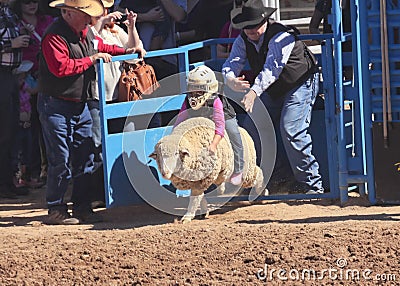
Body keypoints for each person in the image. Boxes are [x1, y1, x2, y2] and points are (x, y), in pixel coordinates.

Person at [37, 0, 139, 224]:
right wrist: (91, 59)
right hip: (57, 104)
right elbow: (61, 67)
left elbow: (101, 46)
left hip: (77, 102)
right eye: (84, 14)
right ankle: (56, 207)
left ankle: (81, 207)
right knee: (60, 158)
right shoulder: (54, 35)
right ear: (69, 13)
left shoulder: (82, 32)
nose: (89, 18)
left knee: (86, 154)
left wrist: (125, 51)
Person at [222, 0, 324, 194]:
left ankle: (312, 185)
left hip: (299, 83)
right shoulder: (243, 40)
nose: (250, 31)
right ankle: (278, 177)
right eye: (246, 27)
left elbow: (272, 69)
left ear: (265, 21)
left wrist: (253, 92)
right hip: (273, 89)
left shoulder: (280, 36)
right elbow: (232, 63)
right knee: (251, 128)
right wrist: (231, 80)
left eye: (254, 26)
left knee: (291, 129)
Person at [89, 0, 146, 208]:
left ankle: (117, 190)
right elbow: (90, 44)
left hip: (117, 95)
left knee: (120, 140)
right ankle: (97, 193)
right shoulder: (88, 30)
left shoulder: (116, 31)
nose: (106, 12)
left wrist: (131, 26)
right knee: (96, 145)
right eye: (101, 8)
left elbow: (134, 51)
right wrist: (102, 21)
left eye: (106, 8)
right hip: (95, 96)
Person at [174, 65, 244, 185]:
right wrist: (174, 138)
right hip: (201, 118)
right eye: (192, 89)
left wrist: (213, 144)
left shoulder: (215, 100)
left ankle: (239, 169)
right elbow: (180, 120)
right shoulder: (188, 101)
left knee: (233, 133)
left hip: (224, 116)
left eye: (199, 90)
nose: (195, 94)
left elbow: (220, 125)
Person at [10, 0, 54, 187]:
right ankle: (31, 173)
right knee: (28, 129)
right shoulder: (14, 24)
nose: (31, 5)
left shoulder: (49, 21)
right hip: (24, 79)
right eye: (26, 2)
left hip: (48, 77)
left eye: (34, 1)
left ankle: (46, 171)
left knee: (48, 130)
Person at [0, 0, 31, 199]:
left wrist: (24, 31)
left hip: (10, 74)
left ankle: (8, 181)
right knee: (3, 131)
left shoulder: (8, 12)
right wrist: (13, 43)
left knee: (10, 130)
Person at [11, 60, 36, 188]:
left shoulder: (25, 86)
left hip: (27, 123)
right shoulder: (13, 92)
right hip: (19, 124)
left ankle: (26, 177)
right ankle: (17, 178)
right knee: (18, 153)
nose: (23, 77)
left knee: (27, 151)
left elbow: (33, 91)